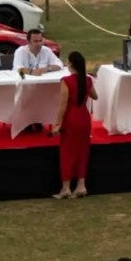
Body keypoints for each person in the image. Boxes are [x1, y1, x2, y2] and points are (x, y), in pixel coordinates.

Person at [52, 51, 95, 198]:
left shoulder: (66, 81)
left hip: (71, 119)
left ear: (70, 64)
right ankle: (81, 186)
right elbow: (95, 96)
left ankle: (65, 188)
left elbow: (63, 104)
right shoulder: (88, 80)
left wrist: (57, 123)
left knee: (67, 152)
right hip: (84, 118)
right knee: (83, 152)